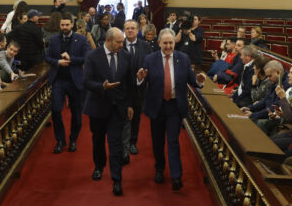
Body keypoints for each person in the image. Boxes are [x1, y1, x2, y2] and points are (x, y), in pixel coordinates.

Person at [137, 28, 206, 191]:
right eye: (165, 43)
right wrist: (140, 79)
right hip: (157, 106)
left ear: (175, 43)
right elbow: (143, 80)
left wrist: (199, 81)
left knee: (173, 141)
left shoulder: (183, 58)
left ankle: (176, 176)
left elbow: (192, 80)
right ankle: (159, 169)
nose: (168, 46)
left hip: (175, 106)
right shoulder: (150, 59)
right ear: (159, 43)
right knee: (158, 142)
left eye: (171, 43)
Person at [83, 28, 135, 196]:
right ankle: (99, 166)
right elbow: (87, 81)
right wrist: (102, 87)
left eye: (122, 42)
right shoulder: (93, 56)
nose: (122, 45)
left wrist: (129, 105)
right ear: (108, 41)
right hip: (97, 107)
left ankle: (117, 180)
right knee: (98, 140)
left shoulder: (125, 55)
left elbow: (129, 84)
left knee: (116, 144)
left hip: (117, 108)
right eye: (119, 42)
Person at [45, 13, 90, 154]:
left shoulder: (81, 39)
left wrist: (72, 58)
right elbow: (47, 57)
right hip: (59, 79)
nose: (64, 27)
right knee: (56, 110)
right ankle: (60, 140)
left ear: (72, 24)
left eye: (67, 25)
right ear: (60, 25)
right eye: (62, 25)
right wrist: (57, 62)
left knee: (76, 113)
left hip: (75, 80)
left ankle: (73, 140)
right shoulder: (53, 39)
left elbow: (87, 57)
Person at [122, 19, 153, 160]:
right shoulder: (118, 44)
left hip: (139, 89)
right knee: (121, 117)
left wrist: (143, 80)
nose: (130, 30)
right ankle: (122, 145)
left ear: (138, 30)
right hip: (121, 88)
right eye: (127, 28)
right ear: (124, 30)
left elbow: (150, 66)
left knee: (136, 117)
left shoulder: (146, 46)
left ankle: (133, 142)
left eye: (133, 28)